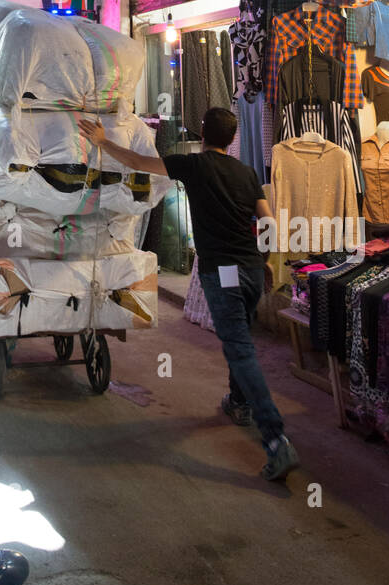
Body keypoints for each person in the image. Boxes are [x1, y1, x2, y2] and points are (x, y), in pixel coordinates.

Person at [77, 105, 299, 482]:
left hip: (224, 272)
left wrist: (102, 141)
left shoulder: (193, 165)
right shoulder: (246, 173)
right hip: (250, 268)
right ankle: (239, 402)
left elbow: (139, 162)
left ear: (203, 133)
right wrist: (263, 260)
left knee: (240, 349)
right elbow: (269, 223)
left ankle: (276, 438)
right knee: (240, 338)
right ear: (232, 138)